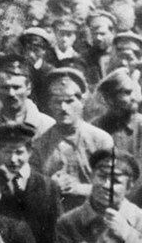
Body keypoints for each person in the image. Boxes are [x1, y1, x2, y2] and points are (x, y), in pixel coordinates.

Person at [32, 68, 114, 211]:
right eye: (57, 102)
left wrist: (79, 188)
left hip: (94, 213)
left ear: (82, 102)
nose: (63, 108)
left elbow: (113, 185)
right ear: (49, 104)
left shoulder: (100, 140)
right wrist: (50, 186)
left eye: (70, 101)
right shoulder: (40, 144)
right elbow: (29, 187)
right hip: (53, 215)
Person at [0, 122, 62, 243]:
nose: (13, 159)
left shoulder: (49, 187)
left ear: (30, 152)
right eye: (7, 151)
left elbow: (56, 234)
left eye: (19, 152)